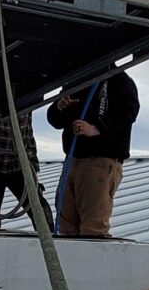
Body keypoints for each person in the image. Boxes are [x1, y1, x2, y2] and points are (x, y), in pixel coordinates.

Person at [47, 64, 140, 238]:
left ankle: (88, 263)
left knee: (93, 228)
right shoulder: (76, 80)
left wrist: (97, 128)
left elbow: (129, 112)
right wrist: (59, 107)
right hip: (73, 160)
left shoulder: (118, 79)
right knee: (66, 226)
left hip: (100, 161)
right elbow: (54, 119)